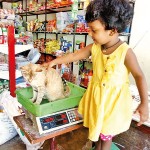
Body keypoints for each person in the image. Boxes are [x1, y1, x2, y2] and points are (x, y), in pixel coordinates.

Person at [47, 0, 149, 149]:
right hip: (97, 100)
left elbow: (139, 75)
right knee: (99, 133)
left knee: (106, 136)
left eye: (94, 30)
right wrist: (54, 62)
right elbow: (75, 55)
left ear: (112, 31)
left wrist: (145, 103)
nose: (90, 33)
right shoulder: (95, 47)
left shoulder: (125, 52)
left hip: (112, 104)